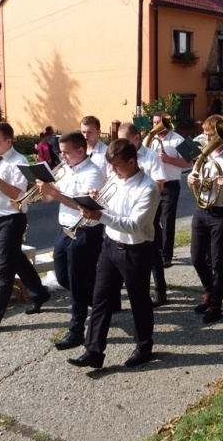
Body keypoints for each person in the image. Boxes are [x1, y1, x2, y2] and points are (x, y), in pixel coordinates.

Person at [67, 138, 160, 369]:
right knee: (100, 300)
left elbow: (133, 225)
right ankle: (94, 351)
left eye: (117, 165)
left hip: (136, 250)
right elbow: (109, 210)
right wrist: (95, 200)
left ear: (131, 161)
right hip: (110, 246)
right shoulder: (116, 180)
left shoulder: (148, 188)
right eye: (111, 166)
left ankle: (144, 346)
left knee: (139, 301)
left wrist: (99, 216)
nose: (113, 170)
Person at [0, 121, 51, 336]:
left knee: (4, 269)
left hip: (12, 219)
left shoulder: (18, 162)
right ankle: (39, 292)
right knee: (16, 259)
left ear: (8, 141)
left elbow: (16, 193)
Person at [36, 131, 105, 351]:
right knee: (62, 275)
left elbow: (85, 207)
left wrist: (55, 193)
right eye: (60, 151)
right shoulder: (64, 170)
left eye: (66, 152)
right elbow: (47, 199)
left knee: (76, 282)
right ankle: (101, 299)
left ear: (80, 151)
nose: (62, 156)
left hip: (85, 231)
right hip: (64, 228)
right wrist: (44, 189)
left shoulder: (93, 173)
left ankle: (76, 330)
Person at [187, 115, 223, 323]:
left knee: (217, 260)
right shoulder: (203, 157)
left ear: (220, 136)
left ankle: (216, 305)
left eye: (210, 134)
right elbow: (192, 181)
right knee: (195, 258)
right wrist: (191, 179)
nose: (206, 137)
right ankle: (209, 291)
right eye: (206, 133)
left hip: (221, 213)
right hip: (201, 210)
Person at [117, 122, 168, 306]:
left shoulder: (151, 156)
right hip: (124, 209)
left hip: (148, 207)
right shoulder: (120, 155)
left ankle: (160, 291)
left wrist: (140, 191)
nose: (123, 145)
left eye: (126, 141)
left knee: (153, 252)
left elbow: (160, 184)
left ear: (137, 138)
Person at [148, 113, 192, 269]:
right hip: (153, 185)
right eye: (154, 123)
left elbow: (190, 162)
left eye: (159, 122)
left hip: (170, 185)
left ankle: (166, 256)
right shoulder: (151, 140)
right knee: (152, 220)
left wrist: (169, 160)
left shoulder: (179, 139)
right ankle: (158, 247)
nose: (156, 126)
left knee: (167, 221)